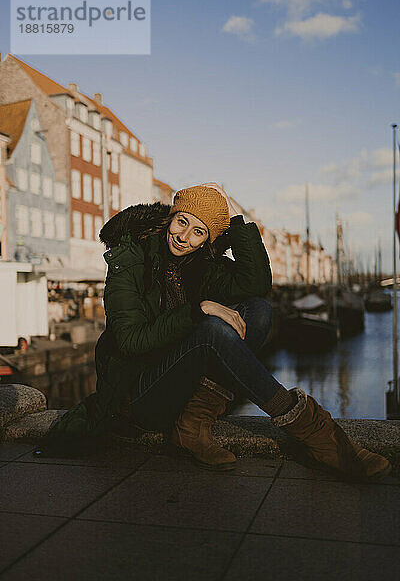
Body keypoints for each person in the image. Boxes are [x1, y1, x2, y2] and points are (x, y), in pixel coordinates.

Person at [38, 183, 391, 483]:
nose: (184, 237)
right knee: (210, 330)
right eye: (182, 222)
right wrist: (198, 309)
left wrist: (234, 214)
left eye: (199, 232)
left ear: (208, 239)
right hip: (137, 395)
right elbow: (130, 341)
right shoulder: (130, 259)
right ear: (170, 217)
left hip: (180, 382)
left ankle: (192, 424)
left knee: (258, 311)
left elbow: (256, 284)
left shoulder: (202, 264)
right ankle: (319, 435)